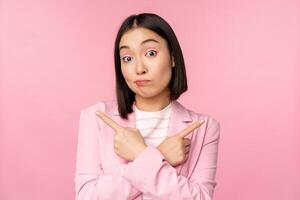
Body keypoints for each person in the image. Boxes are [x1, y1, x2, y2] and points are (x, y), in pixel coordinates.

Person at [74, 13, 221, 200]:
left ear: (173, 58)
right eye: (127, 58)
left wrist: (141, 154)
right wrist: (159, 156)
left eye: (150, 53)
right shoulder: (96, 118)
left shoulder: (205, 127)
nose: (139, 68)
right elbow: (86, 197)